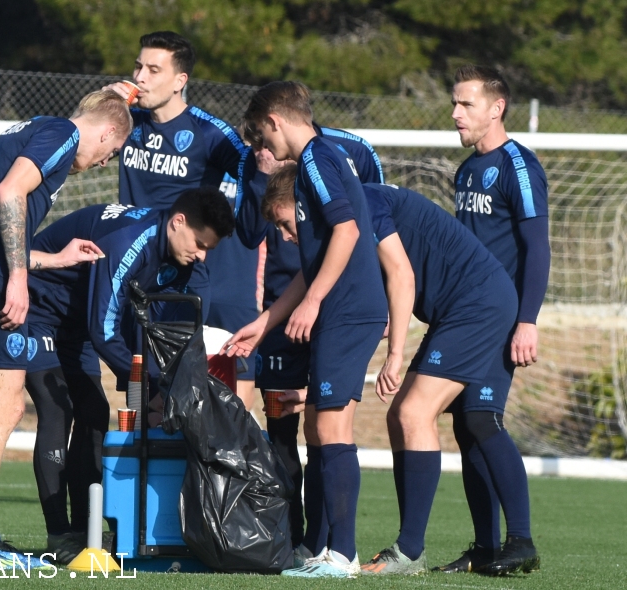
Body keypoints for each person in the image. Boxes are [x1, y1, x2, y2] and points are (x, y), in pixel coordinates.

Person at [257, 164, 519, 576]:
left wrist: (395, 354)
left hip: (478, 302)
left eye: (286, 223)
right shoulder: (335, 224)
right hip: (457, 310)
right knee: (403, 415)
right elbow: (317, 282)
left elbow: (402, 274)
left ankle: (412, 551)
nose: (288, 236)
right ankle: (352, 547)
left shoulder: (365, 202)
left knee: (417, 413)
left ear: (301, 202)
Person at [0, 89, 132, 568]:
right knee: (6, 405)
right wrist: (19, 280)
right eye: (112, 152)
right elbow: (10, 193)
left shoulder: (34, 128)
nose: (106, 163)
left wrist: (53, 259)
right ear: (107, 131)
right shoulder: (64, 133)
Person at [223, 81, 389, 578]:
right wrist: (264, 322)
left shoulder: (315, 158)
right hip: (340, 307)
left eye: (261, 138)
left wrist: (314, 304)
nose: (262, 151)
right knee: (318, 427)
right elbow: (310, 265)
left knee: (330, 427)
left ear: (275, 121)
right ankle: (322, 550)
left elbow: (349, 231)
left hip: (347, 308)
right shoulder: (322, 158)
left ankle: (343, 554)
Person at [24, 188, 235, 563]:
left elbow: (170, 333)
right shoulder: (129, 241)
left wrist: (168, 384)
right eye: (201, 244)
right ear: (178, 222)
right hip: (38, 311)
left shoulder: (188, 262)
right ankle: (60, 536)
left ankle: (85, 532)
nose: (203, 255)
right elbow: (103, 327)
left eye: (210, 249)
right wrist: (150, 384)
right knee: (58, 412)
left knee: (92, 414)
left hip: (79, 326)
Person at [433, 64, 549, 575]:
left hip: (500, 317)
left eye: (466, 104)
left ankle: (520, 540)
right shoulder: (465, 170)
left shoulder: (517, 165)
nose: (456, 113)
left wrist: (527, 320)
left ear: (496, 108)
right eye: (455, 104)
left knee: (483, 419)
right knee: (464, 426)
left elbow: (537, 249)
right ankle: (484, 547)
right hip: (464, 314)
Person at [104, 30, 261, 410]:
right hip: (134, 269)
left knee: (182, 394)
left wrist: (256, 229)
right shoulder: (128, 121)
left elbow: (255, 173)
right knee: (141, 397)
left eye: (153, 70)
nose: (140, 77)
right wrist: (103, 103)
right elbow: (79, 138)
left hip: (182, 281)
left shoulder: (209, 133)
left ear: (180, 82)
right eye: (138, 66)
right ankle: (145, 466)